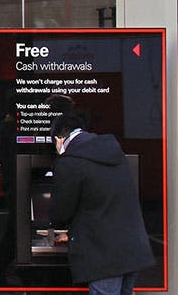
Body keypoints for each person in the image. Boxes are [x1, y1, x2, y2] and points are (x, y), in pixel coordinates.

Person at [48, 112, 153, 295]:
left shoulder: (69, 163)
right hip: (132, 246)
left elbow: (61, 212)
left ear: (59, 138)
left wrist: (62, 229)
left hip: (102, 253)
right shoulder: (114, 152)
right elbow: (102, 198)